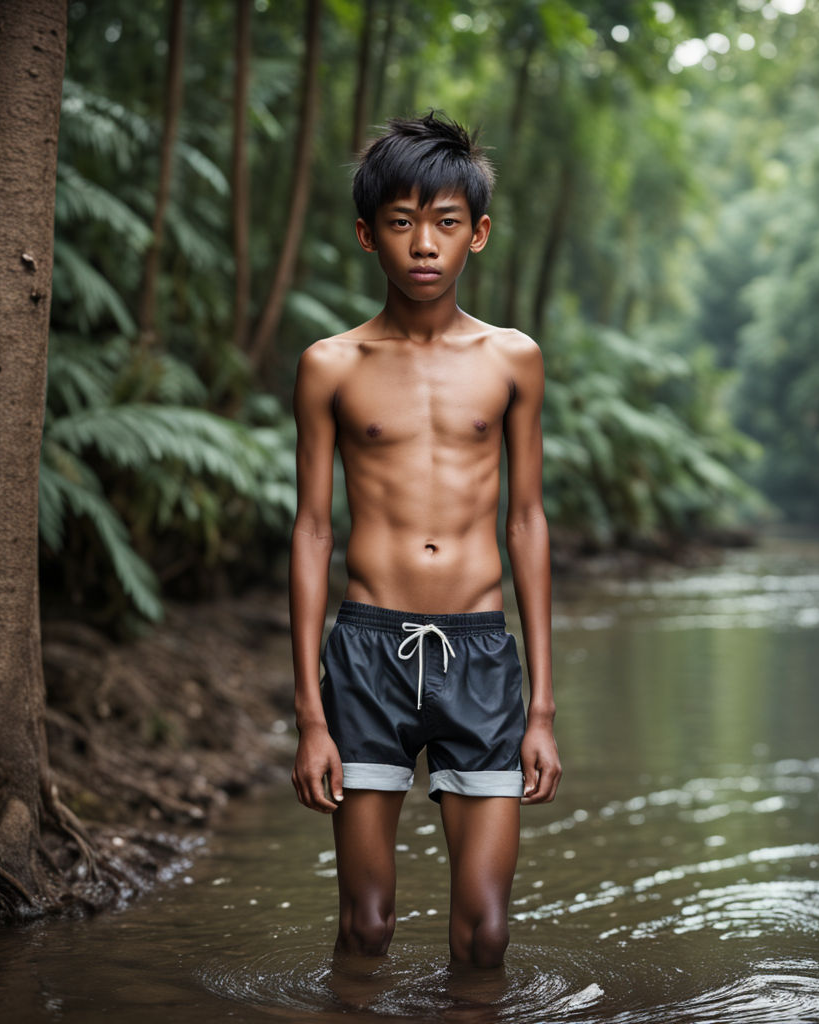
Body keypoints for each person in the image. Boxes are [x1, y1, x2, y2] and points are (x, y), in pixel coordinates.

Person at [289, 111, 561, 970]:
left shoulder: (512, 358)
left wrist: (543, 709)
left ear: (476, 234)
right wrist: (307, 715)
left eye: (445, 222)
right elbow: (311, 530)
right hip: (366, 653)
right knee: (365, 927)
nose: (423, 245)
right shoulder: (331, 365)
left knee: (486, 934)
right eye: (401, 223)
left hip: (480, 656)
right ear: (368, 235)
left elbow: (526, 522)